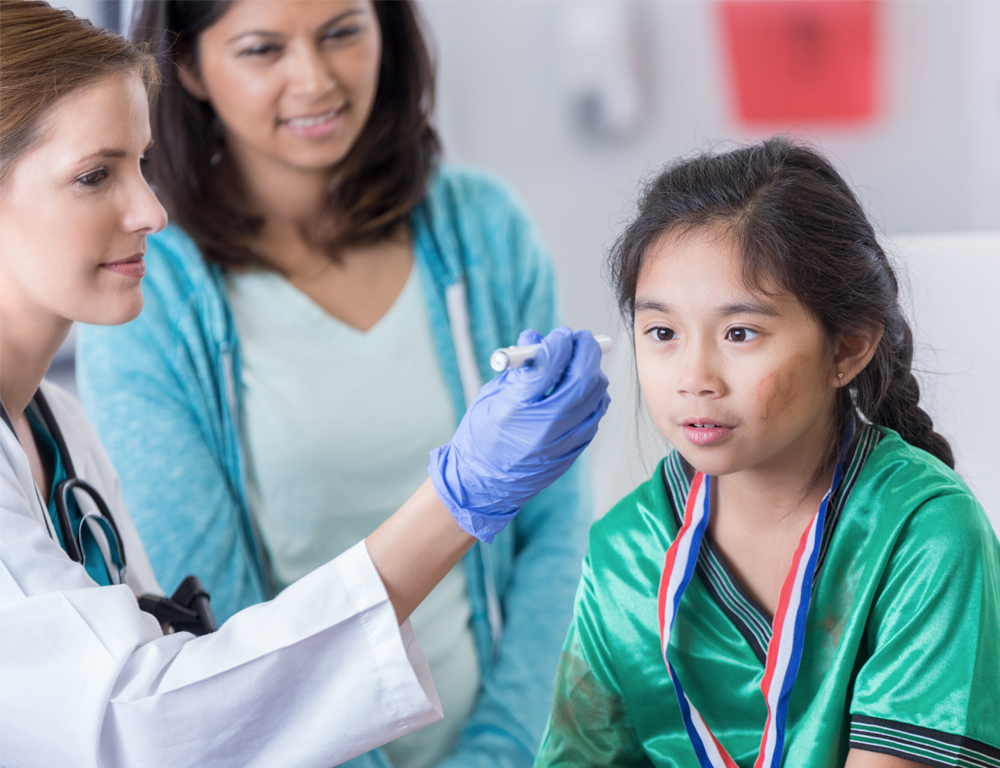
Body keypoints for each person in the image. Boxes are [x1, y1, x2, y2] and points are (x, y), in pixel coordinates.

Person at [0, 3, 610, 766]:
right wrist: (457, 503)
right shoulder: (164, 309)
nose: (152, 212)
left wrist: (506, 743)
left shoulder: (57, 426)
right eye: (95, 175)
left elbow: (192, 668)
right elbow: (158, 721)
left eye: (143, 165)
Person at [533, 139, 1000, 767]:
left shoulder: (925, 537)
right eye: (662, 333)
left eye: (740, 333)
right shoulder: (625, 551)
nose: (695, 375)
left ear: (847, 349)